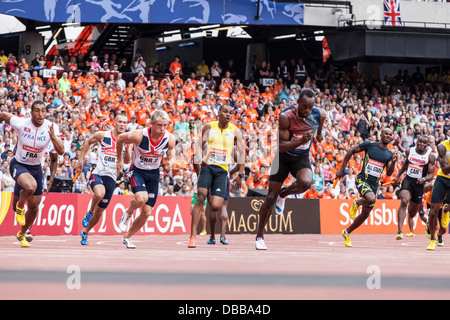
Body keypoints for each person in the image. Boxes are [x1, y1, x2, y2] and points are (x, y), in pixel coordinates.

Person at [255, 88, 326, 250]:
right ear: (297, 103)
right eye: (304, 107)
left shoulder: (318, 114)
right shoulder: (286, 117)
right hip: (282, 158)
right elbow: (280, 147)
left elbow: (321, 119)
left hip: (300, 158)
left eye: (310, 107)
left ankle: (284, 194)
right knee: (270, 198)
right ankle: (259, 236)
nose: (307, 110)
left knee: (306, 182)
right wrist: (301, 142)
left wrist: (319, 134)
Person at [0, 100, 64, 247]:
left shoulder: (52, 127)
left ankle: (22, 233)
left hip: (36, 169)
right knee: (28, 190)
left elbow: (58, 154)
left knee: (35, 207)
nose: (40, 114)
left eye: (43, 110)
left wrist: (53, 137)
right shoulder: (21, 123)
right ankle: (21, 206)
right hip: (19, 164)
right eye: (37, 110)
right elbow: (3, 115)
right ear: (31, 113)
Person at [116, 110, 175, 249]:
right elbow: (120, 139)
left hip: (154, 174)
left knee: (146, 212)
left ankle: (127, 237)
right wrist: (119, 161)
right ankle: (128, 213)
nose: (162, 129)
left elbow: (172, 155)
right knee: (142, 198)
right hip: (137, 171)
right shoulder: (139, 135)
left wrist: (170, 162)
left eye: (165, 125)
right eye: (159, 125)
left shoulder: (169, 138)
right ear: (152, 124)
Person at [188, 104, 245, 248]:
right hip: (207, 168)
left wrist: (240, 175)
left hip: (222, 171)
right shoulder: (209, 127)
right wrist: (200, 158)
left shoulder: (235, 131)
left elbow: (242, 153)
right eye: (225, 112)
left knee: (215, 205)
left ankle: (209, 193)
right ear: (218, 113)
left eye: (230, 113)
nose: (228, 114)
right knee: (200, 197)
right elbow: (200, 147)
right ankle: (192, 236)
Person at [337, 128, 398, 247]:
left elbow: (389, 173)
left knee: (365, 214)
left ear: (392, 138)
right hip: (362, 179)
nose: (388, 136)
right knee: (371, 199)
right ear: (381, 134)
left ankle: (346, 232)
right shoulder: (370, 145)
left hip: (374, 185)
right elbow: (350, 150)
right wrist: (341, 168)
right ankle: (357, 203)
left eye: (390, 135)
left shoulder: (390, 154)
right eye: (386, 133)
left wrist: (394, 162)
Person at [78, 114, 131, 245]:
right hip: (98, 173)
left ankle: (85, 232)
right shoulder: (103, 135)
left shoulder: (126, 140)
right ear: (115, 123)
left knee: (100, 212)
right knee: (99, 194)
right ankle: (89, 212)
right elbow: (87, 142)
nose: (122, 125)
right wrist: (80, 160)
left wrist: (128, 149)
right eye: (120, 122)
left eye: (125, 122)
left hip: (111, 179)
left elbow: (127, 161)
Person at [394, 135, 435, 240]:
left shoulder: (430, 156)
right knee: (403, 200)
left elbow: (430, 174)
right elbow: (405, 165)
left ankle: (429, 226)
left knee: (412, 214)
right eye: (420, 142)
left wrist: (424, 179)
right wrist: (398, 176)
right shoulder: (409, 151)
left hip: (419, 184)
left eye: (424, 143)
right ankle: (399, 231)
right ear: (417, 142)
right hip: (408, 180)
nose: (421, 144)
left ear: (427, 145)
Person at [426, 138, 450, 250]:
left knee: (444, 227)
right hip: (443, 178)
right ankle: (432, 240)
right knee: (433, 211)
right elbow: (445, 170)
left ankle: (446, 210)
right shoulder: (442, 147)